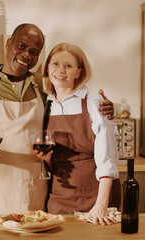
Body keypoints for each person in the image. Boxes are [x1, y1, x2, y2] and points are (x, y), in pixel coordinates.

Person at [0, 23, 114, 215]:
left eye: (34, 51)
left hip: (37, 184)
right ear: (8, 43)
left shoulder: (44, 85)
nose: (26, 55)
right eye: (21, 46)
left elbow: (74, 92)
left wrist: (106, 107)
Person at [34, 43, 120, 226]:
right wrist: (46, 158)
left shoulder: (94, 102)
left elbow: (108, 158)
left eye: (68, 66)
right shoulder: (46, 104)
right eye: (55, 64)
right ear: (48, 68)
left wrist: (101, 204)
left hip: (95, 194)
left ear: (78, 72)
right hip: (59, 195)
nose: (61, 70)